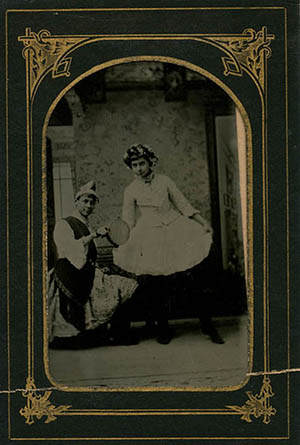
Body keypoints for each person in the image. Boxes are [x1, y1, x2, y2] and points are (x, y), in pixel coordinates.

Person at [113, 144, 224, 345]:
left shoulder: (164, 181)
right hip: (150, 235)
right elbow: (128, 220)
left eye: (141, 163)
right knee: (156, 285)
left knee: (192, 282)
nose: (138, 168)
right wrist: (122, 240)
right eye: (134, 165)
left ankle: (208, 326)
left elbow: (182, 204)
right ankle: (163, 328)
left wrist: (204, 223)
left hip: (175, 229)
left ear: (150, 162)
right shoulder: (131, 190)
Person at [48, 180, 139, 349]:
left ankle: (117, 333)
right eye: (85, 201)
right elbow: (71, 250)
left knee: (127, 285)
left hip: (85, 271)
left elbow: (87, 257)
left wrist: (97, 266)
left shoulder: (86, 226)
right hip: (69, 272)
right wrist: (94, 235)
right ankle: (104, 334)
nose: (88, 206)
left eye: (92, 202)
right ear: (76, 202)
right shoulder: (64, 224)